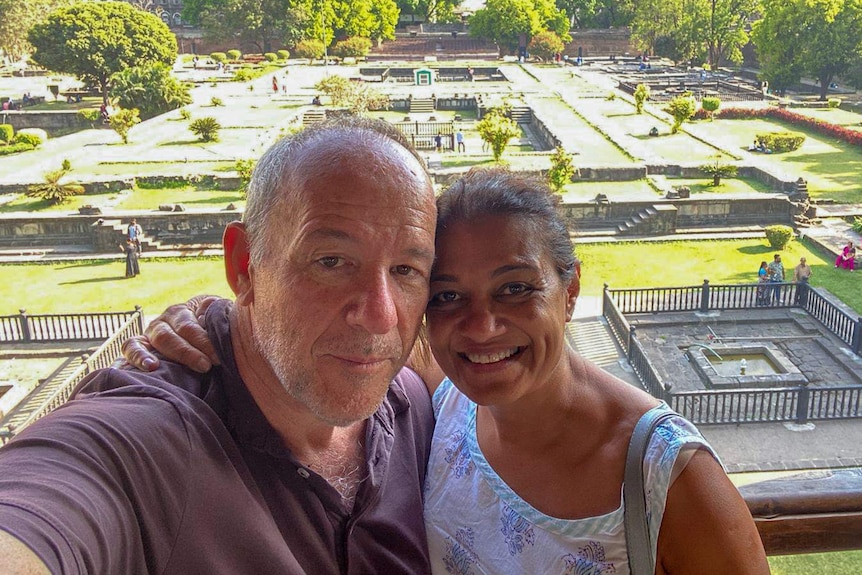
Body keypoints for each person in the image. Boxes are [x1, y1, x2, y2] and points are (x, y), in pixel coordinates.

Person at [126, 169, 769, 574]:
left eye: (515, 288)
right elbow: (324, 339)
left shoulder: (667, 480)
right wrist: (214, 313)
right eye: (447, 295)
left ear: (569, 292)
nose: (482, 327)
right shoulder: (449, 402)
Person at [0, 117, 439, 574]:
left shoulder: (417, 407)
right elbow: (46, 503)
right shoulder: (149, 446)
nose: (380, 315)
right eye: (331, 262)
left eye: (406, 270)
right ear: (244, 265)